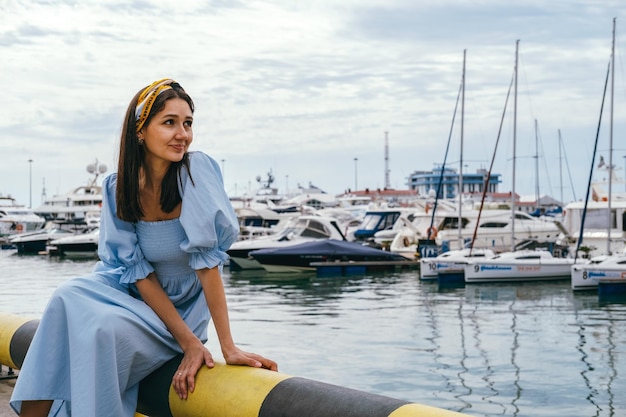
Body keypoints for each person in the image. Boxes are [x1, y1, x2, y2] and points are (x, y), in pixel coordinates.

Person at [10, 78, 277, 416]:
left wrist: (221, 345)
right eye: (169, 122)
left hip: (179, 313)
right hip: (130, 293)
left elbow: (208, 266)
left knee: (103, 331)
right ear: (140, 130)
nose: (183, 134)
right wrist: (188, 345)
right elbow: (136, 272)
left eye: (188, 123)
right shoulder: (116, 186)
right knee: (66, 295)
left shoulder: (195, 172)